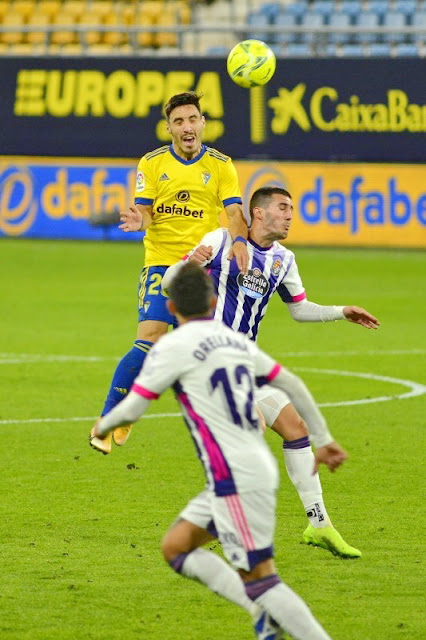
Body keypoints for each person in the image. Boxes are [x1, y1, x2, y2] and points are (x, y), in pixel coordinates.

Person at [92, 262, 334, 640]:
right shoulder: (234, 340)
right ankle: (260, 612)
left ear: (171, 309)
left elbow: (134, 407)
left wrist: (103, 424)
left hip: (234, 476)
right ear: (214, 301)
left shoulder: (171, 346)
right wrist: (324, 438)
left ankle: (279, 617)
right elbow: (290, 382)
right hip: (243, 470)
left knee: (262, 578)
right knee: (176, 547)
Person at [161, 186, 380, 559]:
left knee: (296, 429)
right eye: (283, 207)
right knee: (253, 430)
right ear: (258, 214)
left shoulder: (284, 259)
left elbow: (299, 309)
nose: (290, 215)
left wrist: (340, 311)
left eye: (292, 208)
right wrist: (189, 267)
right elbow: (168, 284)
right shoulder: (219, 240)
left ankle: (319, 524)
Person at [89, 91, 249, 455]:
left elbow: (235, 213)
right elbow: (145, 212)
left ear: (203, 123)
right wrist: (138, 219)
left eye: (192, 119)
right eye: (179, 121)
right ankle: (109, 419)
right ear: (169, 128)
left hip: (202, 270)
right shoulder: (152, 163)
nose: (187, 127)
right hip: (162, 262)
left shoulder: (222, 165)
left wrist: (239, 242)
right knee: (149, 338)